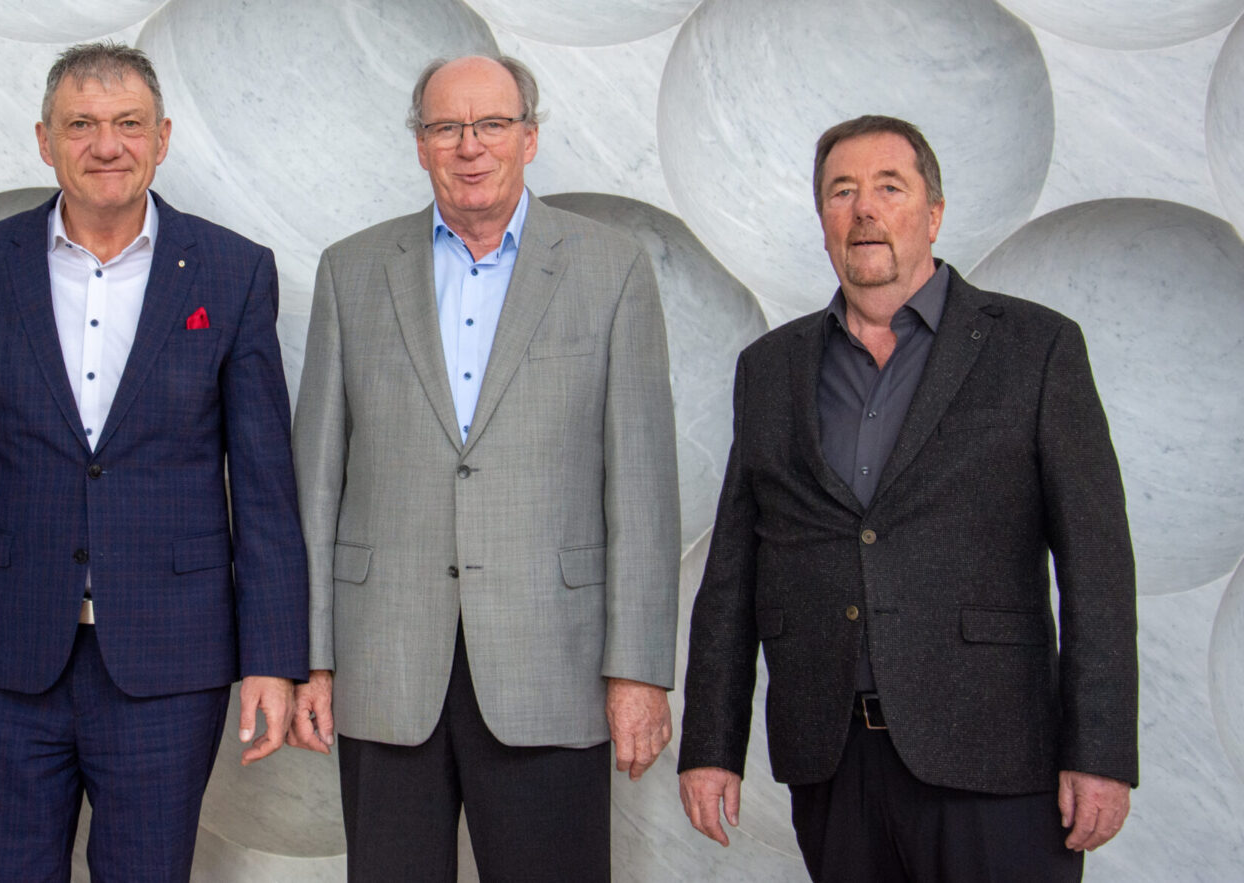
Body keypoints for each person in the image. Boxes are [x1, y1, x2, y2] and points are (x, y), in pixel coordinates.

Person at [677, 115, 1138, 882]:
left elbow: (1097, 563)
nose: (864, 209)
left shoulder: (1037, 347)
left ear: (934, 212)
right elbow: (732, 575)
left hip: (996, 758)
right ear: (822, 217)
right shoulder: (770, 368)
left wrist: (1100, 751)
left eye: (889, 187)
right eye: (841, 191)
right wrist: (711, 748)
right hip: (833, 761)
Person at [0, 41, 307, 882]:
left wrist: (274, 656)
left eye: (128, 124)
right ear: (45, 140)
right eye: (82, 124)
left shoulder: (233, 273)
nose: (106, 145)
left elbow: (264, 487)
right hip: (12, 656)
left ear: (162, 138)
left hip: (171, 658)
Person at [289, 54, 681, 881]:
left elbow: (644, 488)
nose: (471, 146)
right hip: (385, 664)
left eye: (492, 124)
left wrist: (640, 668)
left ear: (529, 138)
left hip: (555, 665)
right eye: (446, 127)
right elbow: (315, 484)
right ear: (421, 145)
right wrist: (311, 657)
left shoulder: (612, 269)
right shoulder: (351, 270)